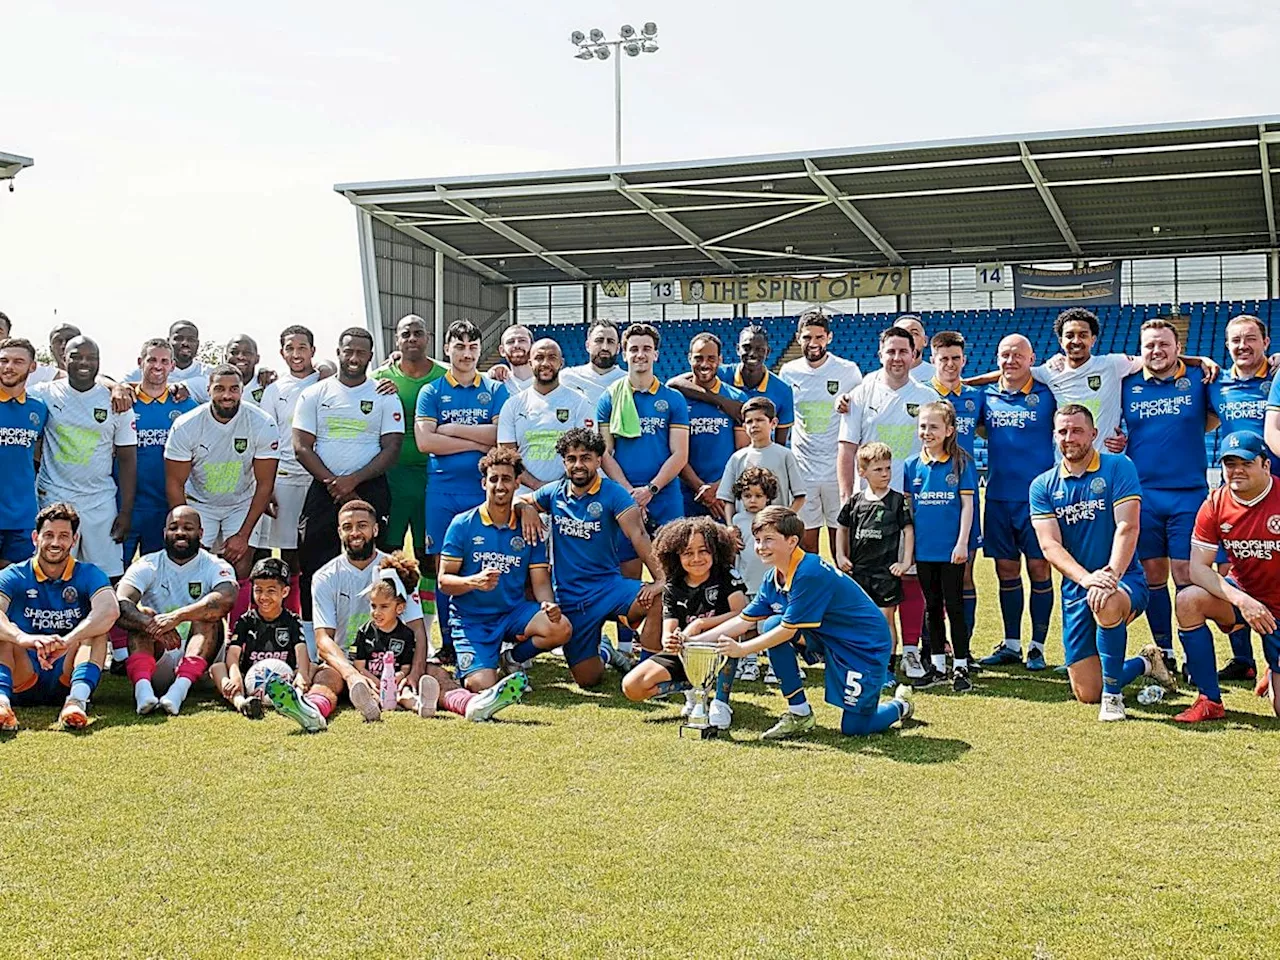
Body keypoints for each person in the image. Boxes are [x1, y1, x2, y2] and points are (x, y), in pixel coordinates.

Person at [685, 507, 914, 740]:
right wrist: (690, 641)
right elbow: (743, 621)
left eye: (769, 540)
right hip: (827, 636)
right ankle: (799, 713)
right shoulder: (772, 577)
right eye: (757, 540)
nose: (761, 546)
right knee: (772, 623)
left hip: (863, 645)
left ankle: (900, 705)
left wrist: (743, 649)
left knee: (855, 728)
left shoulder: (809, 572)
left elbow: (788, 630)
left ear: (792, 541)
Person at [1029, 404, 1175, 720]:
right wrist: (1086, 579)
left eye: (1077, 430)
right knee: (1086, 693)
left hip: (1123, 579)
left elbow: (1128, 526)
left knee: (1105, 602)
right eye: (1063, 431)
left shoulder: (1118, 466)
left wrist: (1109, 574)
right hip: (1078, 589)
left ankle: (1114, 698)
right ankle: (1146, 662)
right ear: (1054, 436)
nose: (1070, 438)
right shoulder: (1042, 485)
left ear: (1094, 434)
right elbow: (1050, 546)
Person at [516, 428, 665, 687]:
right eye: (571, 459)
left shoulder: (613, 493)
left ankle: (648, 673)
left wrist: (660, 578)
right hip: (570, 598)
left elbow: (638, 534)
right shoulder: (553, 493)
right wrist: (525, 507)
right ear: (564, 462)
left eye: (585, 458)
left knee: (656, 599)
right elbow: (518, 502)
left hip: (608, 588)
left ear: (598, 460)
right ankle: (605, 652)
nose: (578, 465)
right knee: (588, 680)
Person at [965, 307, 1217, 451]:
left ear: (1093, 339)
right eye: (1070, 335)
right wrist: (966, 383)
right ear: (1060, 341)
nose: (1076, 341)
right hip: (1065, 458)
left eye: (1083, 335)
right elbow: (1012, 371)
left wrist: (1199, 360)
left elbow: (1157, 359)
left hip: (1107, 458)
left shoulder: (1113, 364)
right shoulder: (1050, 370)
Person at [293, 328, 403, 647]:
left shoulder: (384, 394)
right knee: (313, 562)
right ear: (338, 352)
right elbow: (301, 446)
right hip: (323, 489)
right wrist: (334, 484)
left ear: (370, 356)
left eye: (361, 353)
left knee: (370, 562)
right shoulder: (314, 394)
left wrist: (352, 482)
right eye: (348, 351)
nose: (354, 358)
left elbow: (392, 447)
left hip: (369, 488)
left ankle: (375, 639)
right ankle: (313, 647)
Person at [835, 326, 935, 676]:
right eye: (890, 351)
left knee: (908, 573)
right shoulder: (860, 393)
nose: (896, 358)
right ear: (880, 354)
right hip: (868, 501)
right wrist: (848, 495)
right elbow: (847, 448)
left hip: (908, 501)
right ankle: (868, 649)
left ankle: (910, 648)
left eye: (902, 351)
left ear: (914, 355)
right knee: (867, 576)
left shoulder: (925, 395)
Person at [1118, 319, 1215, 673]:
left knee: (1186, 571)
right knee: (1153, 572)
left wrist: (1201, 360)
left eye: (1164, 345)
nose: (1156, 351)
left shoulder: (1201, 379)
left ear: (1178, 348)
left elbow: (1216, 417)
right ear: (1140, 351)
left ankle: (1193, 652)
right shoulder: (1126, 383)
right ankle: (1165, 651)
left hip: (1188, 493)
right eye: (1149, 346)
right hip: (1142, 496)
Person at [439, 448, 570, 692]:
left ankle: (513, 659)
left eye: (507, 479)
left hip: (512, 613)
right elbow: (444, 581)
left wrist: (548, 605)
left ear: (517, 483)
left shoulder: (528, 527)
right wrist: (474, 582)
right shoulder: (462, 524)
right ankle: (474, 664)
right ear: (483, 483)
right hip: (472, 619)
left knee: (560, 627)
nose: (500, 485)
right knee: (480, 685)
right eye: (494, 479)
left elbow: (540, 582)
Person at [415, 319, 509, 659]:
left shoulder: (497, 390)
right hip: (442, 491)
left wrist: (451, 429)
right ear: (447, 349)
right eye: (459, 346)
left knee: (486, 560)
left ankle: (490, 638)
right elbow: (425, 441)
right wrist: (475, 437)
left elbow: (498, 438)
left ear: (479, 350)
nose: (466, 353)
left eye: (472, 347)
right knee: (445, 566)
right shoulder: (432, 390)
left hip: (481, 490)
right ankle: (450, 644)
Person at [1177, 431, 1280, 721]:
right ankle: (1210, 700)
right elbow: (1197, 568)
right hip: (1246, 595)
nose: (1236, 470)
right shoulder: (1214, 503)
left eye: (1246, 463)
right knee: (1188, 600)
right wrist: (1242, 600)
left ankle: (1274, 668)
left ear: (1266, 465)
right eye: (1230, 463)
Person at [164, 364, 279, 617]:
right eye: (219, 389)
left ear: (242, 390)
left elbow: (265, 484)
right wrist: (187, 527)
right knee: (195, 567)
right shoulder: (187, 424)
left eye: (234, 389)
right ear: (208, 390)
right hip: (199, 503)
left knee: (241, 564)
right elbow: (175, 483)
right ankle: (195, 632)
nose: (227, 395)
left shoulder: (261, 423)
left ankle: (236, 637)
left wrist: (243, 534)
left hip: (241, 502)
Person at [0, 503, 119, 731]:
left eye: (64, 536)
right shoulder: (14, 574)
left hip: (66, 669)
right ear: (35, 538)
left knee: (96, 629)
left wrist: (67, 640)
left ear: (74, 540)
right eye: (49, 535)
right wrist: (23, 638)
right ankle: (2, 704)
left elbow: (109, 610)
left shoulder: (88, 573)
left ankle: (76, 702)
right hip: (23, 671)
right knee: (5, 629)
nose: (55, 543)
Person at [621, 517, 748, 731]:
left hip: (718, 649)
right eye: (688, 552)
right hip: (685, 652)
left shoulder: (726, 576)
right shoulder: (673, 585)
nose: (696, 558)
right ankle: (693, 689)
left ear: (715, 551)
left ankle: (720, 702)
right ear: (675, 554)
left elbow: (741, 612)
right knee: (632, 687)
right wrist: (671, 640)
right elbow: (667, 632)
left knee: (728, 637)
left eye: (703, 551)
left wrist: (700, 624)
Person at [977, 334, 1057, 671]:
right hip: (997, 497)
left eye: (1018, 355)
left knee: (1040, 568)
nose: (1011, 361)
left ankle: (1037, 646)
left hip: (1037, 500)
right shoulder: (986, 397)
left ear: (1031, 358)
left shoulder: (1048, 394)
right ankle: (1011, 644)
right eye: (1004, 355)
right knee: (1005, 570)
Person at [31, 335, 138, 586]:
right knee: (50, 572)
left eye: (91, 358)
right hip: (53, 496)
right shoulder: (43, 394)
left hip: (100, 501)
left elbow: (127, 459)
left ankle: (101, 625)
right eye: (76, 356)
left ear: (100, 362)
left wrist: (126, 511)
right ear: (63, 359)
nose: (84, 363)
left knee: (106, 577)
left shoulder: (117, 401)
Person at [310, 500, 429, 720]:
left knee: (436, 676)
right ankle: (311, 712)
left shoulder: (396, 570)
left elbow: (417, 629)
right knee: (326, 679)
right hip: (348, 661)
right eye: (347, 527)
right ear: (339, 532)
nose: (355, 532)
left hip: (397, 660)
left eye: (362, 525)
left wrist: (415, 670)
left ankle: (470, 704)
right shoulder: (325, 577)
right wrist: (352, 674)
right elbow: (323, 641)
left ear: (375, 529)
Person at [116, 505, 237, 715]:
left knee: (208, 616)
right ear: (165, 533)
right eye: (174, 527)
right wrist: (153, 625)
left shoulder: (215, 565)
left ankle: (178, 691)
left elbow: (226, 598)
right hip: (159, 654)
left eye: (187, 527)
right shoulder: (148, 564)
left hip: (204, 662)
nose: (180, 532)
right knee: (141, 615)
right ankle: (143, 692)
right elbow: (120, 602)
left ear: (200, 534)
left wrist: (177, 618)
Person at [597, 323, 689, 573]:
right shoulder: (609, 397)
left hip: (665, 494)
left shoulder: (672, 398)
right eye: (634, 348)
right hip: (623, 496)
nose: (640, 354)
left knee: (674, 569)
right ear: (624, 353)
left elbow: (680, 454)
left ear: (656, 354)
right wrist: (630, 493)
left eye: (647, 348)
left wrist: (650, 489)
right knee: (629, 570)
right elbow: (605, 453)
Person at [374, 314, 446, 628]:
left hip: (434, 478)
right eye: (406, 333)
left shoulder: (445, 375)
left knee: (429, 557)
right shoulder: (380, 377)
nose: (412, 339)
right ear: (397, 339)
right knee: (385, 556)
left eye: (418, 333)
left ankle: (426, 631)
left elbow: (482, 381)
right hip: (390, 479)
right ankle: (381, 625)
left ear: (428, 337)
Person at [903, 401, 977, 692]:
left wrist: (962, 544)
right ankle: (936, 666)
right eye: (923, 426)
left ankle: (960, 666)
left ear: (949, 430)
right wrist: (909, 552)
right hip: (924, 550)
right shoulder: (911, 465)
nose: (927, 432)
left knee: (954, 606)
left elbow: (968, 505)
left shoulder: (961, 463)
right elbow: (909, 509)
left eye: (933, 427)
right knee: (930, 606)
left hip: (951, 550)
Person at [778, 309, 863, 553]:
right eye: (807, 337)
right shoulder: (788, 372)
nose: (813, 343)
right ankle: (814, 591)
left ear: (829, 338)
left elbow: (861, 411)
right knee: (806, 545)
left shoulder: (848, 371)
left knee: (843, 547)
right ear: (798, 338)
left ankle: (843, 591)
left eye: (819, 337)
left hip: (838, 469)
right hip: (803, 468)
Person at [250, 325, 321, 603]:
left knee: (314, 551)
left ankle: (311, 614)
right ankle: (288, 614)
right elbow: (266, 439)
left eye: (302, 347)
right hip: (284, 477)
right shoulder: (274, 389)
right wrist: (265, 487)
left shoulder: (326, 382)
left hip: (318, 478)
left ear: (313, 351)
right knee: (286, 552)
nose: (296, 353)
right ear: (281, 352)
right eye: (289, 348)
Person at [926, 331, 985, 634]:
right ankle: (931, 644)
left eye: (955, 358)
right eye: (944, 358)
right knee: (928, 575)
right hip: (929, 494)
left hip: (965, 493)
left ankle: (965, 643)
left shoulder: (977, 398)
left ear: (964, 360)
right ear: (932, 360)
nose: (950, 364)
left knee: (964, 573)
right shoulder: (920, 395)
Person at [835, 442, 914, 670]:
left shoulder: (897, 501)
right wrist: (841, 555)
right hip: (859, 572)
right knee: (858, 619)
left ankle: (887, 667)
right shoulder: (856, 502)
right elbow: (842, 526)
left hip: (885, 573)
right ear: (862, 472)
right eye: (878, 469)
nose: (885, 474)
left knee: (884, 619)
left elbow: (908, 531)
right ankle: (860, 662)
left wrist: (905, 562)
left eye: (888, 468)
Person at [123, 337, 196, 566]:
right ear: (140, 362)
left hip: (165, 508)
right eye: (151, 359)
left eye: (164, 361)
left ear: (172, 366)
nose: (158, 366)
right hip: (124, 505)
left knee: (157, 576)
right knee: (115, 574)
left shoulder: (185, 407)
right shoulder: (123, 402)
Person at [216, 557, 317, 724]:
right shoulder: (246, 620)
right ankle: (242, 703)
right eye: (258, 590)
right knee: (217, 668)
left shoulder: (291, 620)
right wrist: (235, 677)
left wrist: (302, 674)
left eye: (271, 591)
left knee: (312, 667)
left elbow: (301, 650)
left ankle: (296, 699)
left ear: (284, 592)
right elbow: (233, 653)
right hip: (250, 680)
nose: (263, 597)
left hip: (287, 679)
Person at [497, 338, 594, 495]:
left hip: (569, 493)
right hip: (523, 494)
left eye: (552, 357)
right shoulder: (512, 405)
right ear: (530, 363)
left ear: (561, 363)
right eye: (539, 358)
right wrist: (537, 485)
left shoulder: (579, 403)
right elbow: (507, 456)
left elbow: (587, 451)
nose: (545, 363)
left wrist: (560, 485)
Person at [673, 332, 746, 519]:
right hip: (687, 495)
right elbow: (674, 451)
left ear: (720, 359)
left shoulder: (736, 399)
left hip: (725, 495)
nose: (705, 364)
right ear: (689, 358)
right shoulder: (676, 399)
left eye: (711, 358)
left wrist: (719, 488)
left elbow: (743, 452)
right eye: (698, 358)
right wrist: (700, 488)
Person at [0, 338, 48, 569]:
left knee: (14, 588)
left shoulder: (38, 408)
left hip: (23, 515)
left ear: (32, 367)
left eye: (18, 361)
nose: (9, 367)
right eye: (3, 360)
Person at [716, 397, 805, 519]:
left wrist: (785, 520)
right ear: (744, 426)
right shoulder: (737, 458)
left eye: (759, 420)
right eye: (749, 421)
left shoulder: (785, 455)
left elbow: (800, 496)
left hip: (776, 530)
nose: (754, 425)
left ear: (773, 423)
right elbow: (728, 499)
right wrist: (731, 526)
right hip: (744, 530)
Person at [729, 466, 779, 683]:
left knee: (769, 625)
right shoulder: (737, 521)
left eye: (758, 496)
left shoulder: (775, 519)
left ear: (768, 497)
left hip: (770, 583)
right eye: (747, 495)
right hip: (745, 580)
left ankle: (774, 664)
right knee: (747, 624)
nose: (752, 500)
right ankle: (749, 662)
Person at [120, 320, 208, 386]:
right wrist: (117, 388)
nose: (185, 343)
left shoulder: (209, 374)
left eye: (191, 340)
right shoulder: (145, 372)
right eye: (178, 338)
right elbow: (114, 386)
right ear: (168, 341)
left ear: (198, 344)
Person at [560, 321, 626, 407]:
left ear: (618, 348)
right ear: (588, 345)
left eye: (610, 342)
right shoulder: (568, 377)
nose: (604, 347)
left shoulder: (627, 381)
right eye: (599, 341)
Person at [496, 324, 535, 393]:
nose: (516, 345)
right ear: (502, 351)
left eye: (522, 340)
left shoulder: (550, 382)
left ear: (533, 347)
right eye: (510, 342)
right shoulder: (495, 385)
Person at [895, 315, 936, 382]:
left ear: (925, 341)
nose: (908, 338)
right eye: (901, 333)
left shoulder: (940, 377)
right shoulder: (875, 380)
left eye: (914, 333)